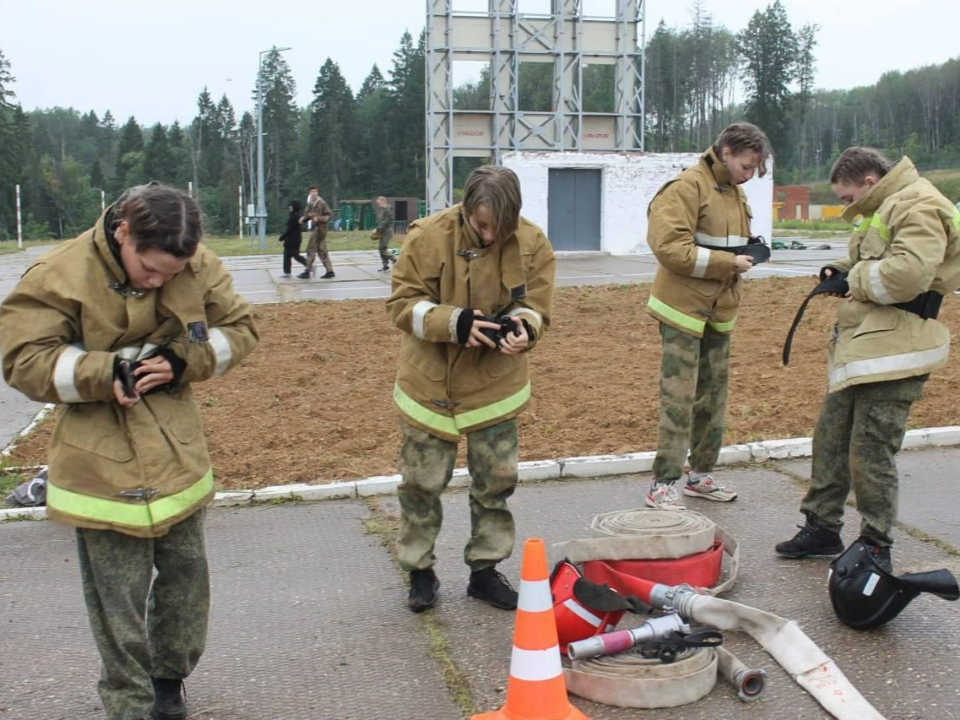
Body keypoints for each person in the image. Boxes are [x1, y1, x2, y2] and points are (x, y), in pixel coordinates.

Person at [0, 183, 259, 720]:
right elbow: (22, 359)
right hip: (99, 464)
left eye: (171, 273)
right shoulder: (59, 275)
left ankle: (169, 681)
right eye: (150, 268)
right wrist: (103, 371)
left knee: (187, 578)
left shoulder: (193, 262)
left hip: (177, 452)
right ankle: (130, 703)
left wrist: (186, 361)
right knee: (117, 601)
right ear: (123, 232)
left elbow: (240, 328)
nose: (160, 281)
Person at [775, 147, 960, 572]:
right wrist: (840, 268)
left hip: (899, 349)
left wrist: (853, 280)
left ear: (870, 183)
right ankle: (822, 527)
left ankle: (876, 545)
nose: (847, 207)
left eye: (846, 199)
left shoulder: (919, 203)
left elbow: (908, 274)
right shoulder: (887, 205)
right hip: (867, 343)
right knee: (832, 436)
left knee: (871, 449)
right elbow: (875, 257)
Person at [386, 165, 555, 613]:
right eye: (482, 227)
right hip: (430, 386)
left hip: (495, 387)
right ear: (465, 209)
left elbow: (537, 305)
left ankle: (485, 572)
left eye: (501, 230)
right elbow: (402, 304)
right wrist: (453, 322)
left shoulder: (533, 242)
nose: (489, 237)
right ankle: (419, 571)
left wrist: (525, 328)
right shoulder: (426, 236)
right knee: (420, 485)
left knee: (496, 484)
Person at [644, 122, 771, 510]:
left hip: (720, 309)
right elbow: (669, 248)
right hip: (682, 309)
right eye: (746, 166)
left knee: (713, 397)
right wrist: (728, 262)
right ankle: (663, 483)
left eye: (754, 169)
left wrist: (748, 252)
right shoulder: (687, 187)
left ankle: (699, 475)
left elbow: (725, 244)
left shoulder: (733, 193)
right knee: (679, 398)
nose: (749, 176)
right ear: (727, 151)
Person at [298, 185, 335, 280]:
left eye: (315, 191)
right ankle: (329, 271)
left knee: (311, 249)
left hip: (321, 228)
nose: (314, 193)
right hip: (316, 228)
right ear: (309, 193)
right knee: (322, 250)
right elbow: (308, 214)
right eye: (312, 192)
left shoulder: (321, 202)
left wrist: (319, 219)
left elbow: (329, 215)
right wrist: (303, 219)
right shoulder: (311, 203)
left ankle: (307, 271)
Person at [279, 199, 307, 278]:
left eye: (291, 206)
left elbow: (290, 229)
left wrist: (282, 237)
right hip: (295, 239)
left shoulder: (294, 216)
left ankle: (308, 265)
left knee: (294, 255)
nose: (290, 207)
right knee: (287, 256)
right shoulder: (296, 215)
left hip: (292, 240)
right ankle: (287, 272)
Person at [373, 195, 396, 273]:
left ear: (383, 201)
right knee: (381, 248)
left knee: (383, 248)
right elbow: (381, 222)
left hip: (387, 231)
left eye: (378, 203)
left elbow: (385, 222)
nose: (378, 205)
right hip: (383, 231)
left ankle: (394, 259)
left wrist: (377, 229)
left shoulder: (388, 210)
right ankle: (385, 265)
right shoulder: (384, 210)